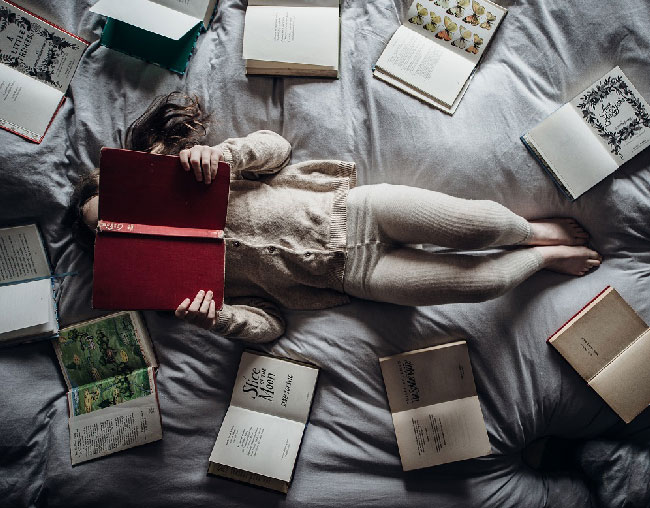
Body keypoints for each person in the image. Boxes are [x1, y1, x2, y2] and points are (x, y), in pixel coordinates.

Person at [69, 93, 602, 343]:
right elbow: (269, 327)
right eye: (106, 230)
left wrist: (227, 156)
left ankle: (529, 233)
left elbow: (276, 148)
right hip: (350, 277)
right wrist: (219, 319)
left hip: (355, 211)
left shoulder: (199, 177)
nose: (124, 224)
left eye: (119, 206)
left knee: (478, 225)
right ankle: (542, 259)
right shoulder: (184, 289)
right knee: (478, 286)